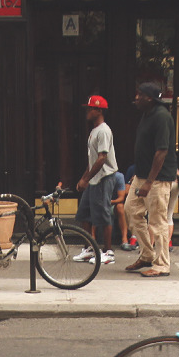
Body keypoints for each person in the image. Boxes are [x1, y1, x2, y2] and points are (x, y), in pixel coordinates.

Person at [124, 82, 178, 277]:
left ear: (149, 98)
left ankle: (162, 264)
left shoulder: (162, 117)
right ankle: (147, 254)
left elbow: (161, 151)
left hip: (157, 178)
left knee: (158, 220)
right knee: (131, 211)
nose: (136, 98)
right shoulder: (146, 115)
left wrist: (149, 182)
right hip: (141, 175)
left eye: (139, 95)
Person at [72, 95, 118, 265]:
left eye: (90, 108)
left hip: (104, 177)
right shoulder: (94, 131)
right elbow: (93, 160)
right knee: (84, 213)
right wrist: (84, 178)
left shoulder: (104, 131)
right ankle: (90, 248)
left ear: (98, 110)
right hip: (94, 178)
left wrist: (86, 179)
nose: (87, 111)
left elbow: (101, 158)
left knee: (103, 214)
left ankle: (108, 252)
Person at [110, 169, 134, 250]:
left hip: (112, 204)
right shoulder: (97, 176)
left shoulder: (118, 176)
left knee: (120, 207)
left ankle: (124, 239)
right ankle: (92, 239)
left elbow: (121, 198)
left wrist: (111, 202)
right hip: (100, 204)